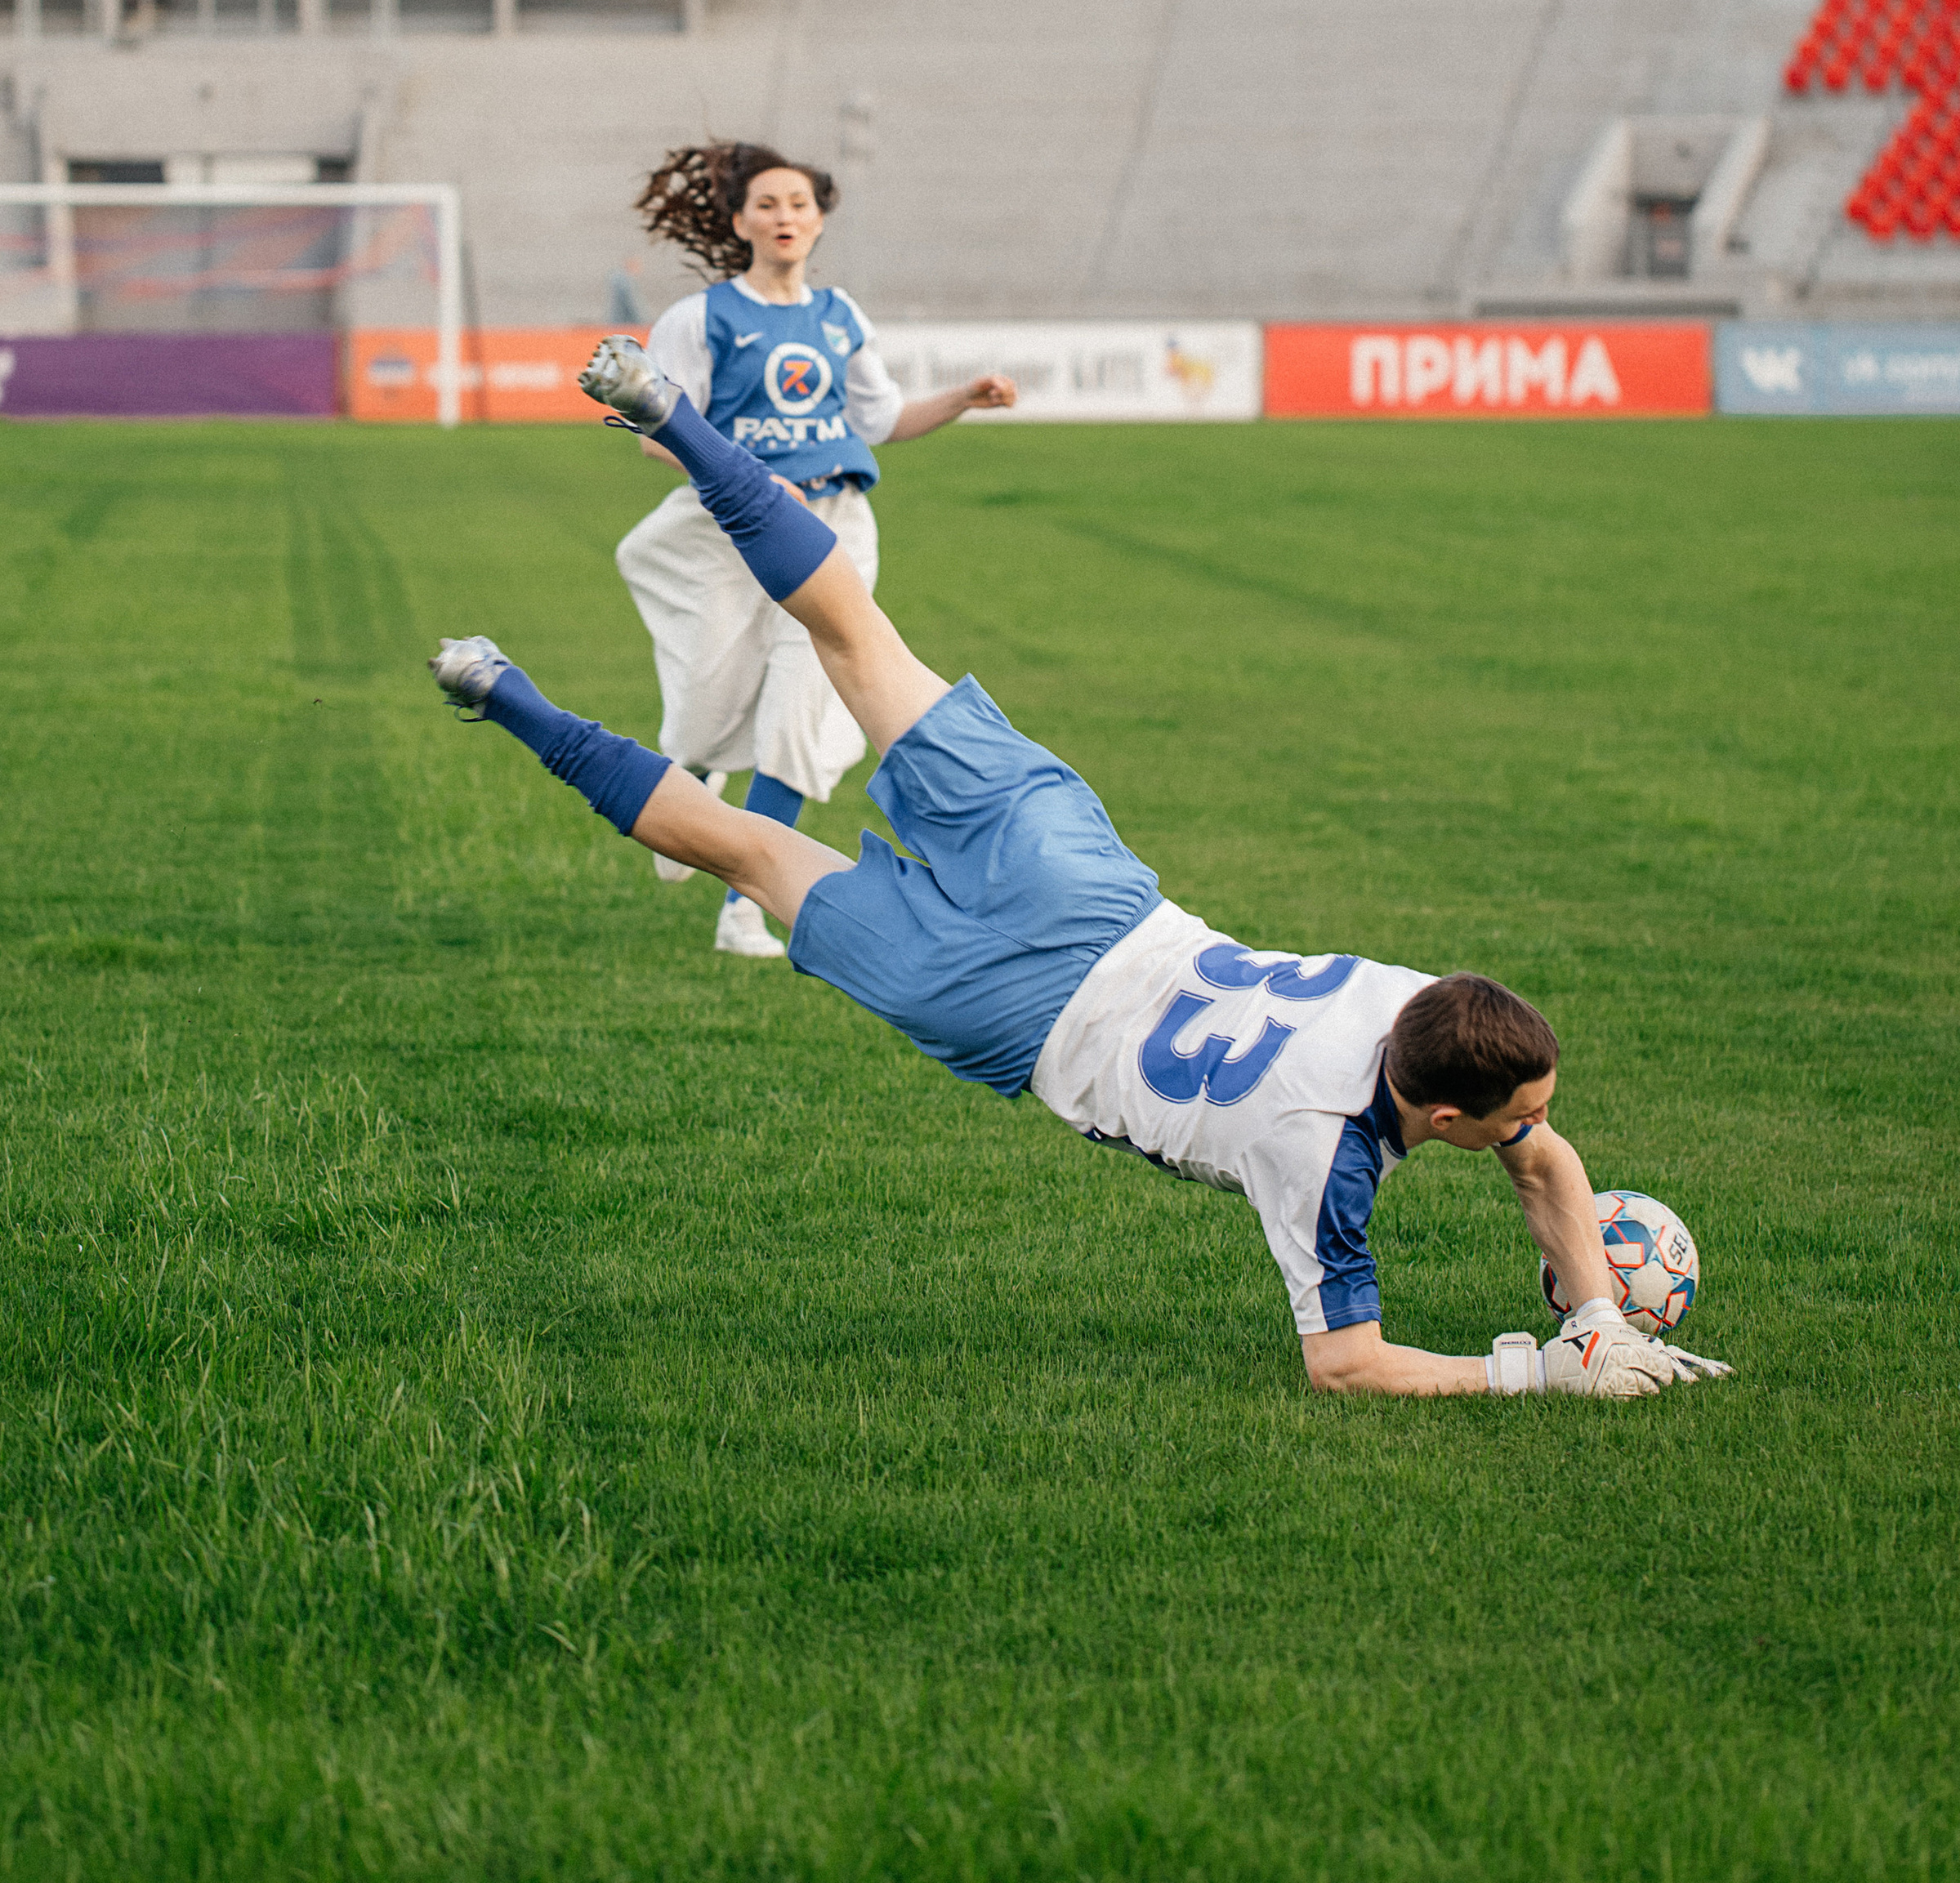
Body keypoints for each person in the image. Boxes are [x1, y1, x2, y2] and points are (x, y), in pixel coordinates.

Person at [430, 337, 1733, 1402]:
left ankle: (672, 418)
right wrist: (1539, 1372)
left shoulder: (1409, 1002)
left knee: (861, 641)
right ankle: (504, 697)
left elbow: (1541, 1156)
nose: (1538, 1133)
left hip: (1095, 892)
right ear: (1441, 1116)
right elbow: (1347, 1366)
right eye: (1517, 1113)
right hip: (1014, 1014)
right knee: (752, 847)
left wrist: (1597, 1316)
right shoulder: (1322, 1160)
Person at [610, 140, 1015, 957]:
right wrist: (753, 476)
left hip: (832, 528)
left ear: (820, 219)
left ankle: (745, 909)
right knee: (707, 697)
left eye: (798, 203)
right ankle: (685, 786)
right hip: (727, 528)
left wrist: (964, 399)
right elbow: (657, 435)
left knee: (805, 703)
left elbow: (879, 424)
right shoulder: (702, 319)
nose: (784, 216)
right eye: (767, 204)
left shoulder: (841, 318)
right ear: (738, 221)